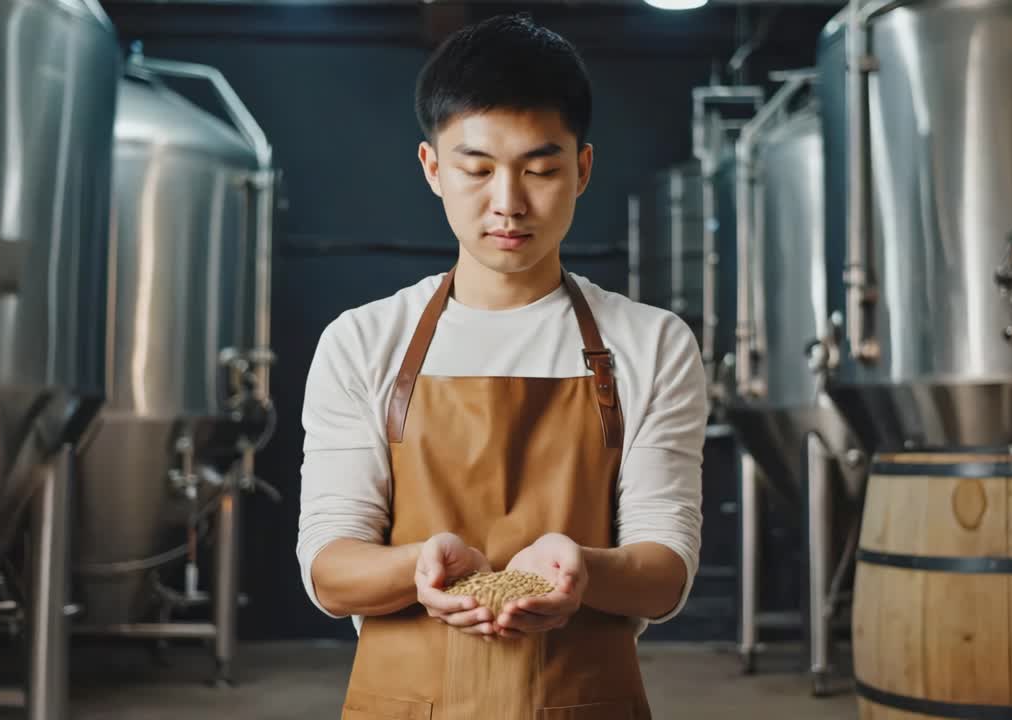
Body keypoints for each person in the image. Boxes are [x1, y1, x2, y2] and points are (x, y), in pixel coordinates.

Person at [297, 13, 707, 719]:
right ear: (432, 168)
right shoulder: (362, 341)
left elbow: (664, 574)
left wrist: (584, 570)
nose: (508, 203)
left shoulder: (652, 343)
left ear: (581, 169)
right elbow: (332, 571)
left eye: (541, 170)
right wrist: (419, 568)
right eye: (477, 169)